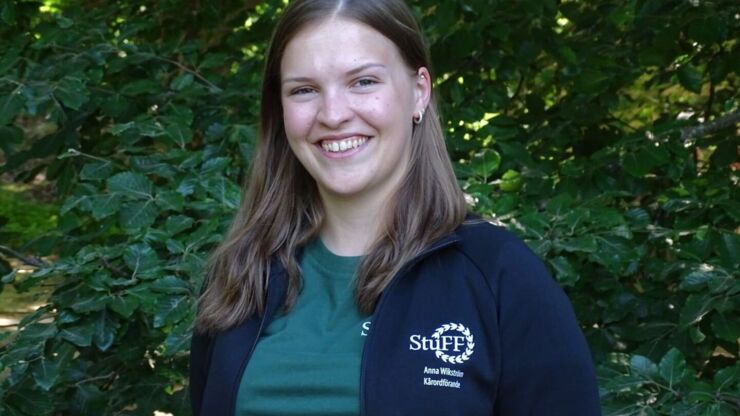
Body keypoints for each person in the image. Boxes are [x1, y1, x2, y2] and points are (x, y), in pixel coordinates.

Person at [189, 0, 601, 415]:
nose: (332, 114)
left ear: (419, 91)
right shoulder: (241, 278)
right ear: (279, 109)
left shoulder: (500, 276)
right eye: (304, 90)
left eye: (363, 82)